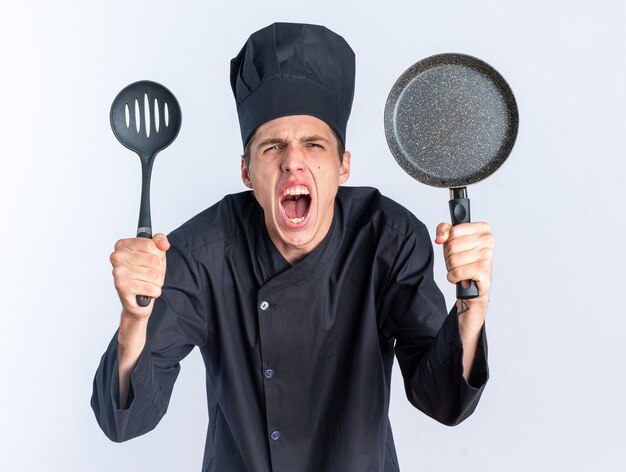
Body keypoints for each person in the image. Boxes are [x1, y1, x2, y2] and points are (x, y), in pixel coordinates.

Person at [92, 22, 493, 472]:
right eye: (272, 147)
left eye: (314, 144)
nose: (293, 161)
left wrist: (470, 307)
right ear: (247, 173)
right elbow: (123, 420)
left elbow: (443, 400)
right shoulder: (201, 253)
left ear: (343, 166)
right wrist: (134, 317)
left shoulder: (388, 237)